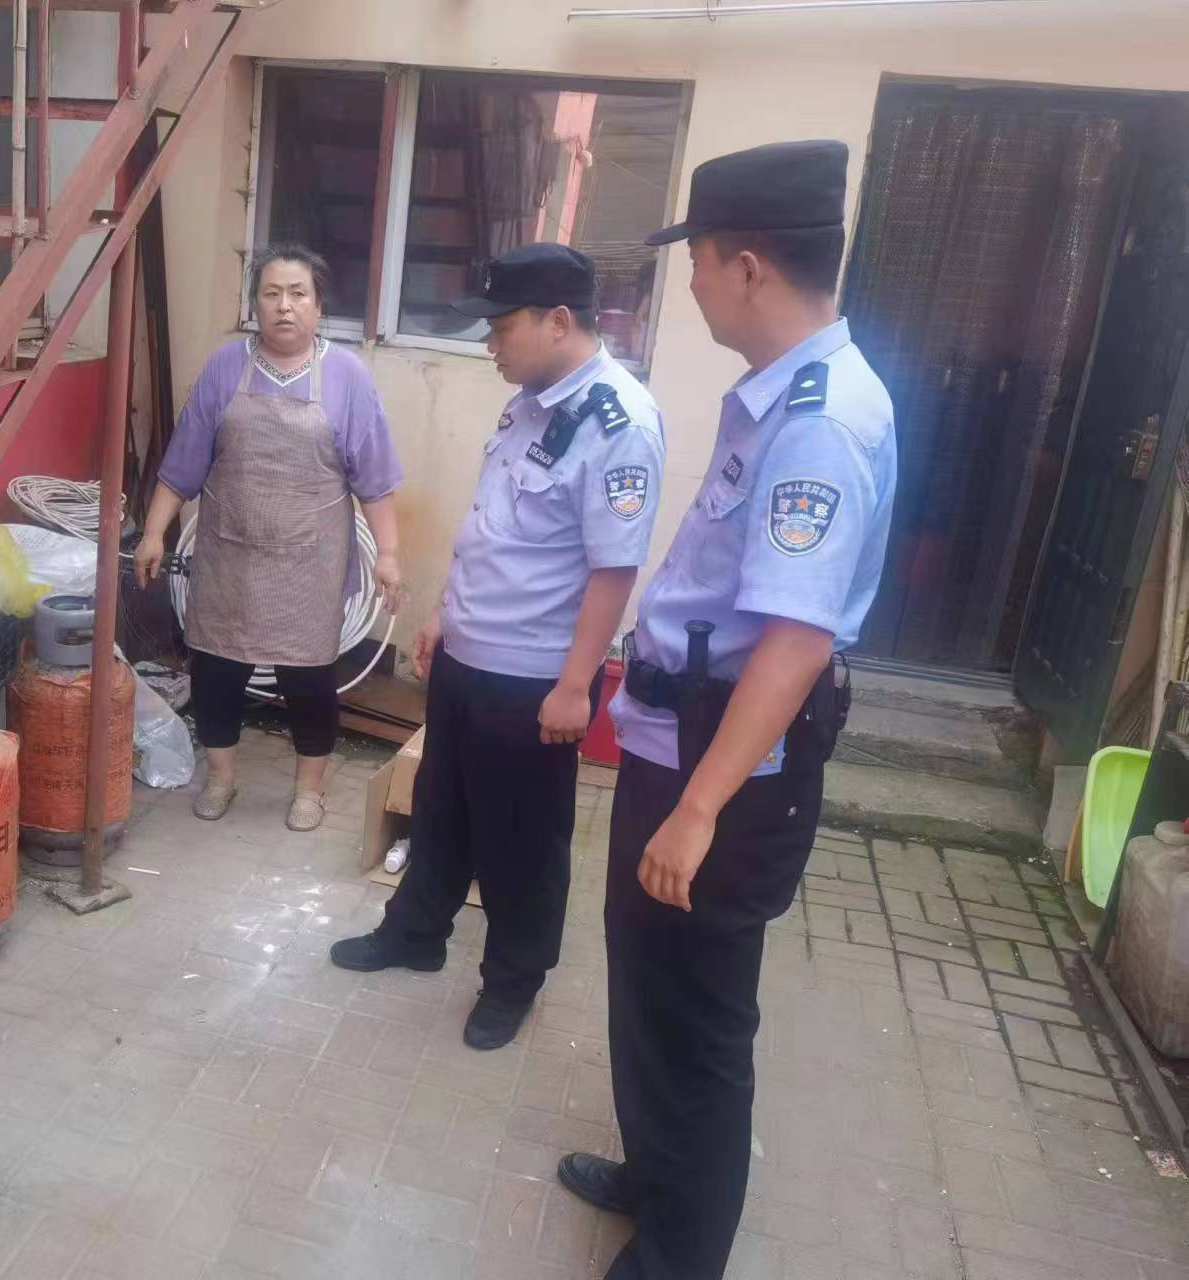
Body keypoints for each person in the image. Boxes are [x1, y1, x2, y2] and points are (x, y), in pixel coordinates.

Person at [557, 141, 898, 1280]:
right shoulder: (778, 396)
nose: (693, 282)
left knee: (698, 1017)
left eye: (697, 260)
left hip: (727, 770)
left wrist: (698, 809)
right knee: (648, 982)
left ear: (746, 265)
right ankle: (655, 1174)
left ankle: (680, 1253)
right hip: (679, 740)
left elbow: (795, 641)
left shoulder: (818, 423)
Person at [330, 243, 666, 1051]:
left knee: (522, 841)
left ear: (559, 321)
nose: (489, 344)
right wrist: (445, 612)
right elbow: (493, 525)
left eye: (501, 327)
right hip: (468, 655)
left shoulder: (619, 423)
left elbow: (613, 571)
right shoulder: (530, 400)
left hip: (535, 680)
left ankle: (513, 980)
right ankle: (416, 932)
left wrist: (576, 687)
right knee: (441, 807)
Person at [135, 245, 404, 832]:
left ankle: (309, 790)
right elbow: (183, 462)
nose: (285, 306)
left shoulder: (347, 376)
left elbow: (375, 477)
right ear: (254, 303)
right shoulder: (224, 368)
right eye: (272, 293)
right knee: (216, 671)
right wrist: (154, 531)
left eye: (298, 294)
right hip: (228, 555)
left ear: (319, 305)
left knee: (308, 678)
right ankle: (221, 778)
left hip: (310, 561)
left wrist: (387, 555)